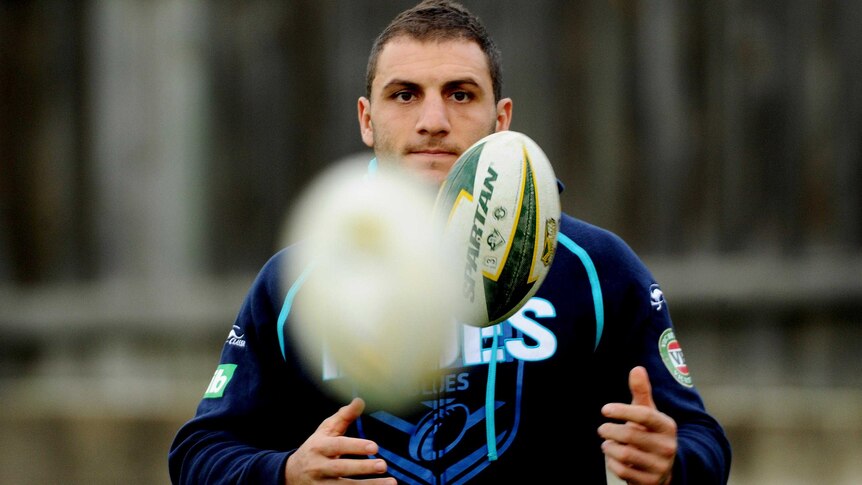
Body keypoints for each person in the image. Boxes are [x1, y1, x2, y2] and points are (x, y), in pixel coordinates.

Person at [168, 1, 732, 484]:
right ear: (367, 119)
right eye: (405, 95)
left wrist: (672, 464)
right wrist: (285, 473)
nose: (433, 120)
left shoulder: (595, 268)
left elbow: (704, 442)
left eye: (461, 95)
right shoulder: (298, 280)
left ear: (501, 118)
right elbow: (196, 454)